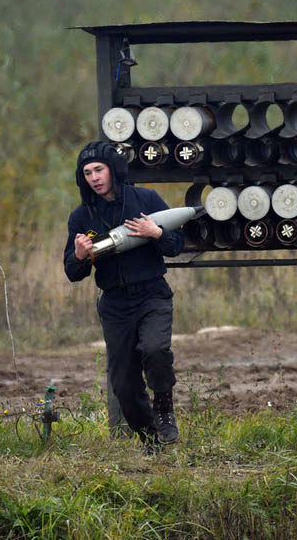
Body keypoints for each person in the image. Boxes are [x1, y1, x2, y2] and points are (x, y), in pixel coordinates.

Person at [63, 140, 184, 445]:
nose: (94, 177)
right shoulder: (81, 217)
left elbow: (177, 244)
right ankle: (150, 440)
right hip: (115, 304)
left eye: (99, 169)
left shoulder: (146, 199)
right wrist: (79, 255)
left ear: (113, 169)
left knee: (155, 350)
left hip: (152, 295)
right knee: (124, 384)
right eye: (87, 172)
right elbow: (72, 273)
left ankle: (164, 409)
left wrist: (155, 233)